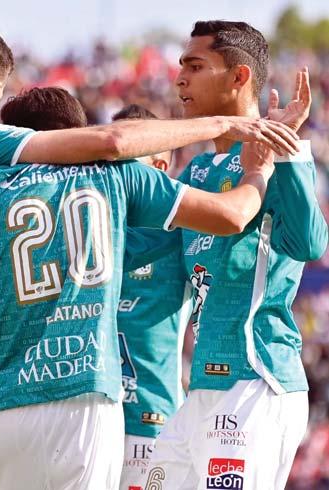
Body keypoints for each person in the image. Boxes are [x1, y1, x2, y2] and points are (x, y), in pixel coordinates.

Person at [0, 20, 300, 489]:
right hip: (87, 399)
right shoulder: (117, 177)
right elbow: (229, 213)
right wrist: (259, 167)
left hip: (6, 403)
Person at [139, 21, 328, 490]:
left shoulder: (272, 160)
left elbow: (310, 244)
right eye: (180, 66)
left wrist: (286, 151)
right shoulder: (197, 170)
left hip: (256, 379)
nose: (179, 79)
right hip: (203, 387)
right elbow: (150, 251)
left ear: (239, 77)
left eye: (195, 66)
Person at [112, 104, 192, 490]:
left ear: (159, 167)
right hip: (87, 419)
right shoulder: (85, 227)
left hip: (152, 424)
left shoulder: (182, 236)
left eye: (125, 159)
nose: (113, 170)